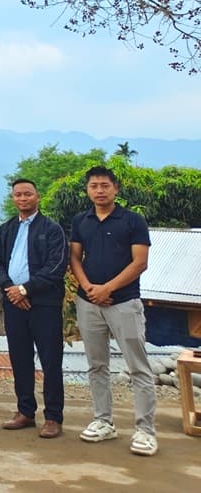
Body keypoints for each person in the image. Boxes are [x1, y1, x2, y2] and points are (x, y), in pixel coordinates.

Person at [69, 166, 156, 456]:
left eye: (105, 185)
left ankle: (145, 430)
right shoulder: (81, 220)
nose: (99, 190)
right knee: (96, 365)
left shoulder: (133, 220)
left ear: (115, 188)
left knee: (138, 366)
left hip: (124, 302)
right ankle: (103, 421)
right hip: (88, 302)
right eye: (94, 186)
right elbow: (75, 258)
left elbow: (139, 262)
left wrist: (108, 289)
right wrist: (90, 288)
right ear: (87, 190)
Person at [0, 179, 67, 438]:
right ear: (13, 198)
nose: (22, 198)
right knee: (20, 359)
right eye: (17, 195)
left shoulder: (52, 229)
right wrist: (11, 289)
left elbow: (56, 267)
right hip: (13, 303)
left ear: (38, 196)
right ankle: (25, 411)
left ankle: (53, 417)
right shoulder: (7, 228)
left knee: (50, 361)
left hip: (44, 304)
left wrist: (26, 289)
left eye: (27, 194)